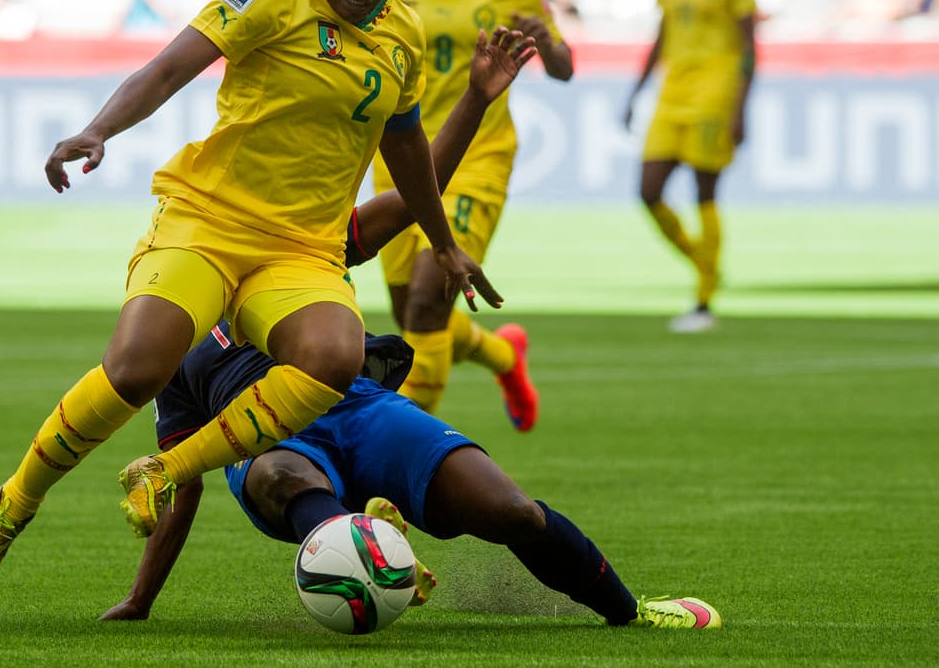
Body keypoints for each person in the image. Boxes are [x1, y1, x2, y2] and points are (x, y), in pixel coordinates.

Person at [0, 0, 511, 590]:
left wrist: (444, 243)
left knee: (335, 354)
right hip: (208, 222)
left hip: (299, 250)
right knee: (137, 368)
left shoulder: (402, 36)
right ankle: (17, 499)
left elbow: (408, 150)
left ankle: (165, 468)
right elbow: (170, 68)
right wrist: (98, 128)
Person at [98, 202, 721, 630]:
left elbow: (403, 197)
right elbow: (181, 479)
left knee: (513, 512)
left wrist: (475, 99)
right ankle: (376, 551)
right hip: (263, 438)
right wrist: (140, 598)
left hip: (359, 407)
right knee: (277, 476)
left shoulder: (299, 247)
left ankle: (630, 612)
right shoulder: (169, 341)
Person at [371, 0, 574, 429]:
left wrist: (547, 42)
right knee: (413, 315)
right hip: (401, 159)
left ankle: (401, 452)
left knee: (428, 301)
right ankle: (504, 356)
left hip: (477, 158)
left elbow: (563, 68)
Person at [622, 0, 757, 333]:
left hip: (715, 90)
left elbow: (749, 45)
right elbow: (661, 35)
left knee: (705, 192)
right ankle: (705, 263)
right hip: (673, 90)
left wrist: (741, 107)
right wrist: (636, 92)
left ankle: (703, 301)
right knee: (648, 190)